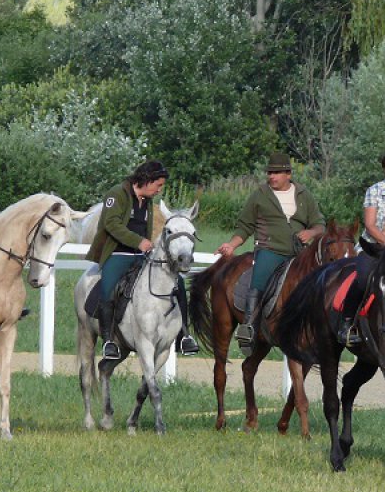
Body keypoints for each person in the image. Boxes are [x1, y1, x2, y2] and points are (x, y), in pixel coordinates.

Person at [85, 160, 200, 361]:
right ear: (147, 180)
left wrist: (149, 248)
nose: (159, 190)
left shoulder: (147, 201)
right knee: (108, 288)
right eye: (159, 185)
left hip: (141, 255)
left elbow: (146, 231)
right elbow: (111, 224)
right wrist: (138, 242)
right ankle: (108, 341)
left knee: (178, 283)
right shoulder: (117, 194)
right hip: (117, 254)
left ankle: (184, 335)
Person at [215, 152, 326, 347]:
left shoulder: (304, 195)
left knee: (322, 281)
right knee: (259, 277)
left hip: (299, 253)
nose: (272, 176)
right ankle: (248, 325)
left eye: (276, 172)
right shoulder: (260, 195)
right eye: (270, 173)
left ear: (288, 174)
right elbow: (245, 226)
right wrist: (232, 245)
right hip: (270, 249)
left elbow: (320, 224)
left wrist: (310, 233)